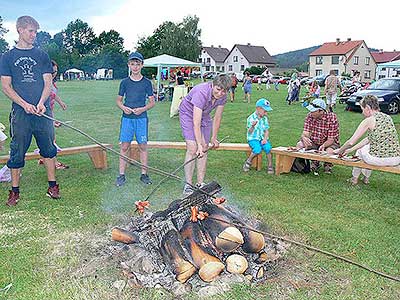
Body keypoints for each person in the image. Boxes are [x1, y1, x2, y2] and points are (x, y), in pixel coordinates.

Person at [0, 16, 60, 206]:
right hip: (21, 113)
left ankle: (53, 186)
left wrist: (42, 102)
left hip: (43, 112)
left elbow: (48, 82)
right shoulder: (8, 57)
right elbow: (6, 86)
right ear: (19, 30)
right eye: (30, 31)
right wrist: (24, 104)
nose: (34, 35)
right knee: (17, 151)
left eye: (35, 31)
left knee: (49, 149)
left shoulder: (41, 55)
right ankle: (14, 191)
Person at [179, 74, 231, 195]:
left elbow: (217, 117)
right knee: (193, 148)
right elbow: (196, 123)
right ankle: (188, 185)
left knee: (205, 147)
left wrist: (214, 137)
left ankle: (200, 183)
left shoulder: (223, 96)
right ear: (213, 85)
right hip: (188, 114)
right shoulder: (201, 92)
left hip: (205, 115)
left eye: (224, 91)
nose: (220, 93)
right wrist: (199, 144)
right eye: (218, 89)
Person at [334, 95, 400, 185]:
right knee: (367, 148)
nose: (362, 112)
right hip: (396, 158)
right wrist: (349, 150)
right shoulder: (387, 117)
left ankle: (354, 179)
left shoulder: (369, 120)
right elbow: (368, 139)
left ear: (368, 108)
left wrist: (339, 151)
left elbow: (351, 142)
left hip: (381, 160)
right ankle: (366, 178)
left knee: (360, 151)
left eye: (362, 109)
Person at [115, 51, 155, 187]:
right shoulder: (124, 82)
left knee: (143, 146)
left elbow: (152, 102)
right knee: (124, 146)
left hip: (141, 119)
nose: (135, 67)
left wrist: (142, 109)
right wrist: (123, 107)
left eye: (138, 64)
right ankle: (121, 175)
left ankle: (144, 174)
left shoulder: (147, 83)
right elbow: (119, 100)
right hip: (127, 118)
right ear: (129, 65)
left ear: (142, 65)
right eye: (133, 64)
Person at [38, 60, 69, 169]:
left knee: (48, 138)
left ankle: (43, 158)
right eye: (52, 71)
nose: (54, 73)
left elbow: (53, 95)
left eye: (56, 71)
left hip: (50, 112)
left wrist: (61, 103)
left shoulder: (52, 82)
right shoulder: (43, 82)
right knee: (51, 139)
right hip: (43, 113)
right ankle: (54, 163)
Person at [296, 98, 340, 174]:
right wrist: (304, 138)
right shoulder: (310, 116)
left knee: (329, 151)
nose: (311, 112)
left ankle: (328, 165)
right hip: (314, 141)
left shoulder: (332, 118)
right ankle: (304, 165)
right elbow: (305, 132)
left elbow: (331, 139)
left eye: (313, 111)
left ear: (321, 111)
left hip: (329, 143)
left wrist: (323, 145)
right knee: (299, 145)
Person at [242, 98, 274, 174]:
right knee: (257, 149)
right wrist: (252, 126)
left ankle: (270, 165)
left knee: (268, 149)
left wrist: (265, 139)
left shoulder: (264, 119)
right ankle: (248, 162)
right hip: (253, 139)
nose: (266, 113)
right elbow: (249, 132)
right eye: (265, 111)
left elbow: (266, 131)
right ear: (258, 109)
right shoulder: (251, 118)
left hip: (262, 139)